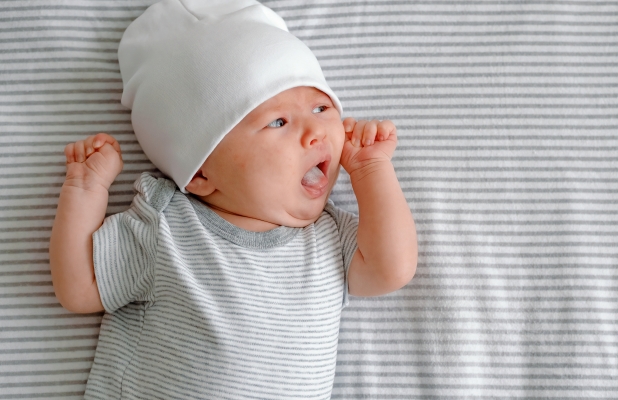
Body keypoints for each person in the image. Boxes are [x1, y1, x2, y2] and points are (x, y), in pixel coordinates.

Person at [48, 0, 417, 398]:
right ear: (202, 172)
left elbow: (390, 269)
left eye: (321, 106)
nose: (316, 131)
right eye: (278, 121)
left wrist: (370, 171)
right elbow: (80, 287)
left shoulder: (329, 238)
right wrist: (85, 191)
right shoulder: (167, 227)